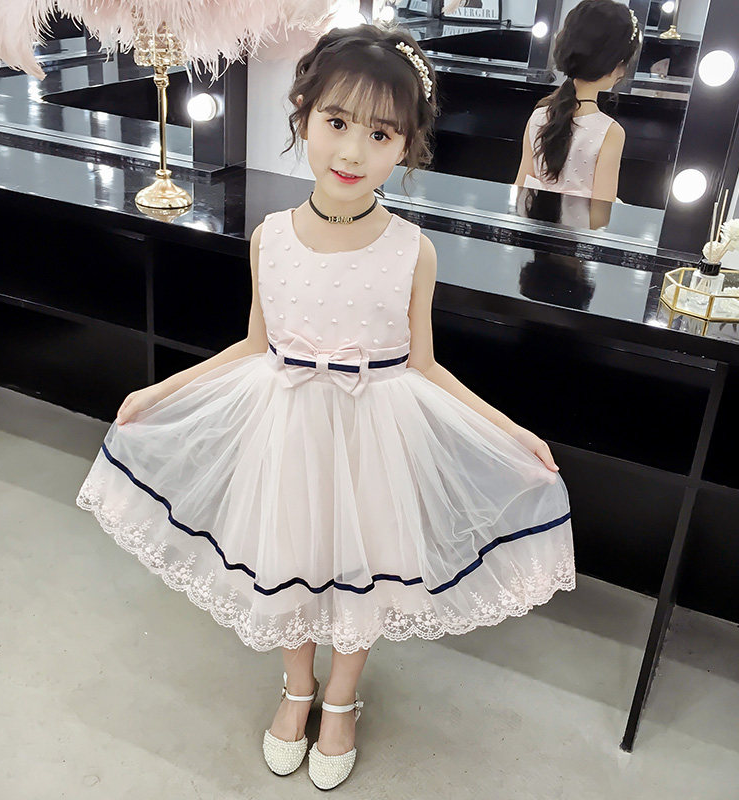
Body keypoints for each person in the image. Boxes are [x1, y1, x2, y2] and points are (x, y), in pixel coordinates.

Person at [76, 23, 575, 791]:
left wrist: (512, 432)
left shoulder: (411, 247)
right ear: (303, 114)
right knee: (293, 560)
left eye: (380, 134)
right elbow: (254, 344)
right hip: (288, 429)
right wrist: (160, 389)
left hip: (374, 435)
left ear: (406, 145)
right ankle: (297, 688)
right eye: (337, 122)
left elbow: (424, 364)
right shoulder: (270, 237)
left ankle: (341, 701)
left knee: (362, 569)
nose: (352, 151)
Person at [515, 0, 641, 202]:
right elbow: (602, 210)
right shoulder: (610, 132)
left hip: (530, 219)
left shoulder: (538, 116)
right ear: (616, 65)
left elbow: (519, 193)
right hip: (581, 224)